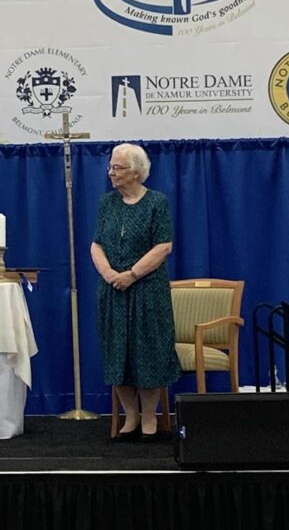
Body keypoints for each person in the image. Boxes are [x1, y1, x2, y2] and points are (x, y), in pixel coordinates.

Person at [90, 142, 179, 440]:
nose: (111, 173)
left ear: (137, 173)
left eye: (118, 167)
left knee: (148, 352)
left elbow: (163, 245)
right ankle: (130, 418)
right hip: (113, 290)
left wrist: (131, 274)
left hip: (147, 290)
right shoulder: (106, 203)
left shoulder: (157, 202)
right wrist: (109, 274)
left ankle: (150, 418)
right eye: (111, 167)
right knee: (118, 354)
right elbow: (97, 243)